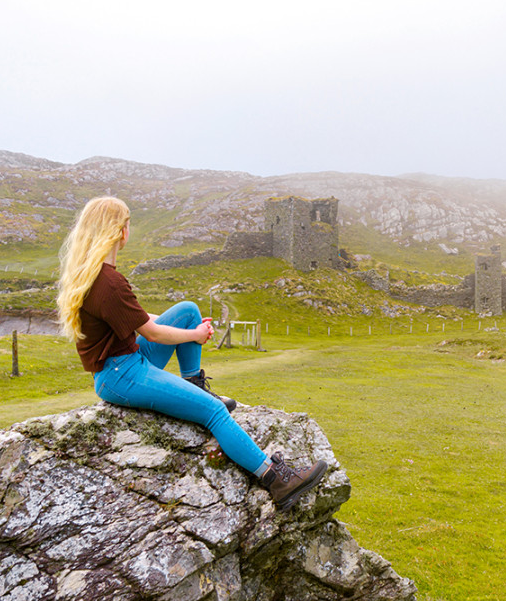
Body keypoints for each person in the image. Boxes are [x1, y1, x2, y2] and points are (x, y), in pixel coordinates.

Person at [57, 196, 327, 512]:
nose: (129, 230)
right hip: (122, 375)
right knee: (214, 412)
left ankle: (194, 386)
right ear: (119, 231)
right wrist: (196, 336)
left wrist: (191, 327)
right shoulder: (109, 282)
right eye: (127, 223)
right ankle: (278, 480)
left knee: (187, 310)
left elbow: (142, 319)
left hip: (123, 364)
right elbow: (153, 333)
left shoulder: (95, 275)